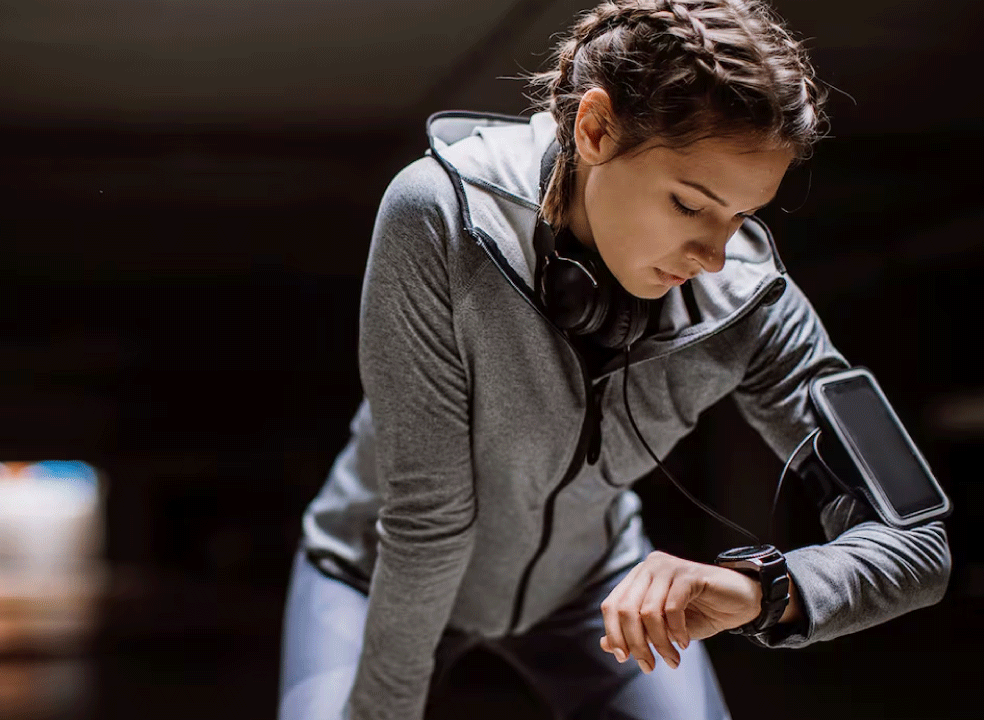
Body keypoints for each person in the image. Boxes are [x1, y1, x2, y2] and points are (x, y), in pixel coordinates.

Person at [278, 2, 952, 719]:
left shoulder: (750, 298)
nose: (715, 256)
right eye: (690, 205)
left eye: (741, 217)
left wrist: (764, 590)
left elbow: (919, 541)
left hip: (589, 587)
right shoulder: (440, 214)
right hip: (373, 571)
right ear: (595, 130)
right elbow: (429, 521)